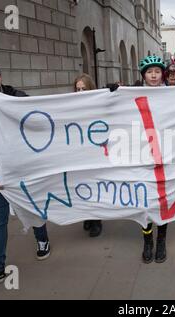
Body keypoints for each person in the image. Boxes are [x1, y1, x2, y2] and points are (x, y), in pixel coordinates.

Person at [0, 64, 51, 292]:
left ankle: (42, 239)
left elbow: (40, 119)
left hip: (22, 172)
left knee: (32, 208)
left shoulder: (17, 98)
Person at [137, 55, 168, 263]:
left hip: (167, 154)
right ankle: (148, 241)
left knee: (164, 199)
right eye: (149, 72)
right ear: (143, 75)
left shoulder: (173, 94)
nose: (154, 75)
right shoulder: (131, 94)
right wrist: (111, 93)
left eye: (157, 71)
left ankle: (162, 240)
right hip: (142, 155)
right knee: (145, 201)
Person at [74, 74, 103, 236]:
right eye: (77, 89)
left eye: (84, 89)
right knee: (82, 186)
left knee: (94, 185)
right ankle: (87, 215)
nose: (80, 92)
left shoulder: (98, 106)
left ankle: (96, 219)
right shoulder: (70, 106)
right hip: (79, 154)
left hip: (95, 154)